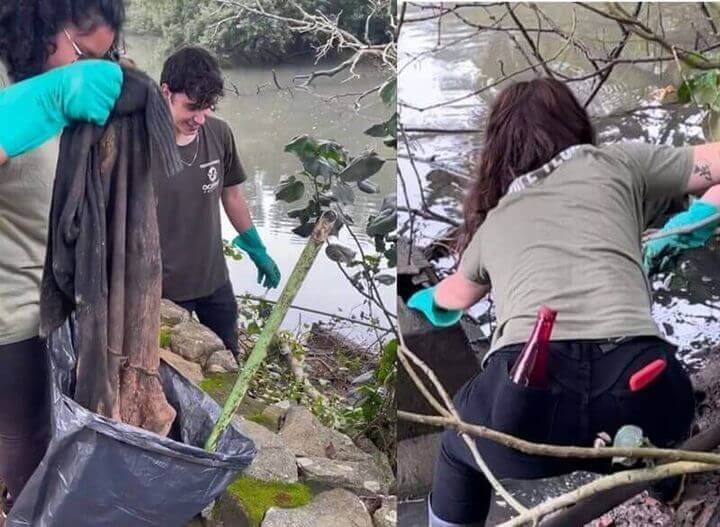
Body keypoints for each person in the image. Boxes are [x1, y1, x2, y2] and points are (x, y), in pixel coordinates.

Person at [407, 77, 720, 526]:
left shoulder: (493, 223)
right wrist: (701, 216)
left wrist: (420, 299)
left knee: (459, 448)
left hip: (523, 406)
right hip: (643, 388)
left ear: (498, 152)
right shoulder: (618, 163)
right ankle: (664, 478)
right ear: (575, 125)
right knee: (657, 405)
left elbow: (448, 302)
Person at [0, 0, 125, 519]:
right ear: (44, 22)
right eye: (81, 53)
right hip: (8, 314)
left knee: (35, 443)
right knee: (23, 451)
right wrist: (48, 98)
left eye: (102, 58)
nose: (83, 70)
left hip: (45, 309)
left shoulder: (63, 89)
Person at [155, 46, 281, 359]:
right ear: (166, 92)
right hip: (161, 290)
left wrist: (257, 248)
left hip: (213, 281)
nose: (199, 118)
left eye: (208, 107)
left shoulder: (219, 133)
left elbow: (232, 195)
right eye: (191, 107)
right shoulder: (139, 142)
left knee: (227, 359)